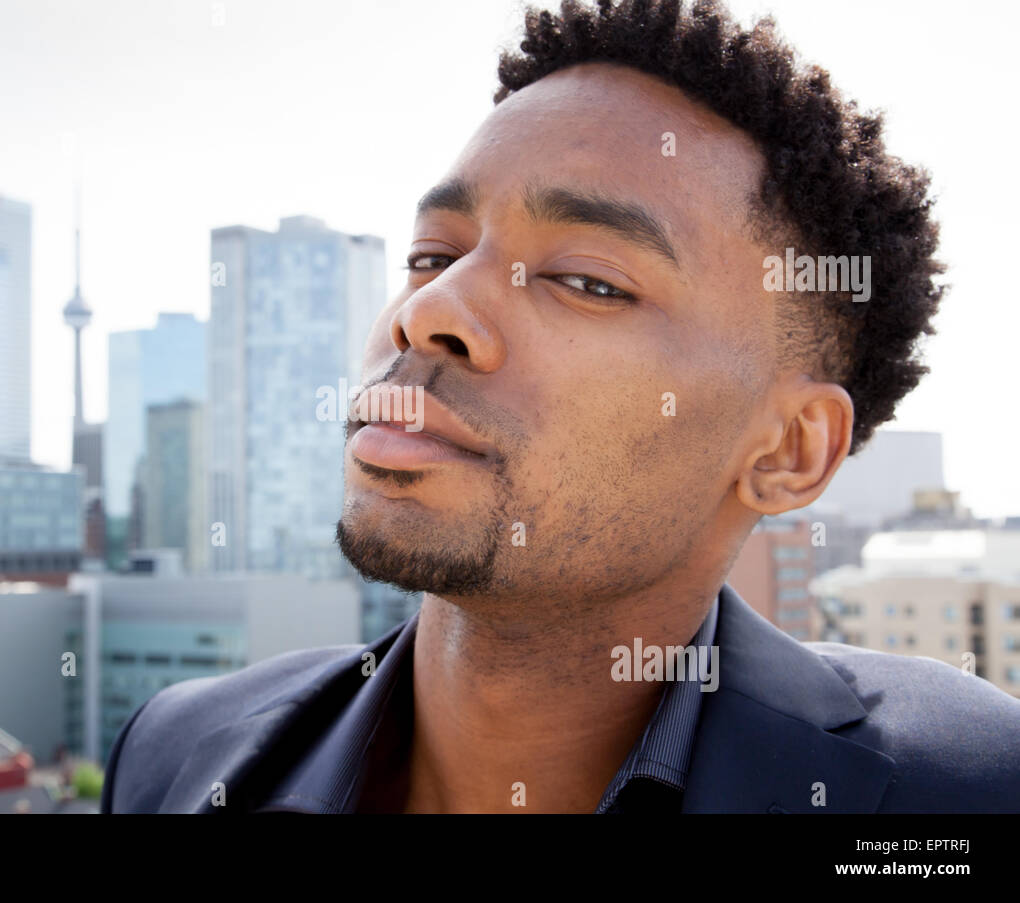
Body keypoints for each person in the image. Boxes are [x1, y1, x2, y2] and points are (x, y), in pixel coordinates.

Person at [103, 0, 1020, 813]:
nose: (429, 313)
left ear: (787, 450)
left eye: (585, 280)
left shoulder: (966, 789)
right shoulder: (176, 756)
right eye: (430, 256)